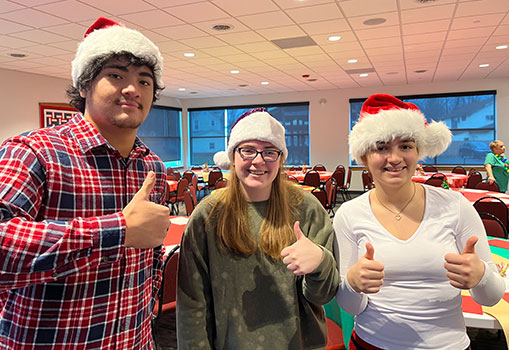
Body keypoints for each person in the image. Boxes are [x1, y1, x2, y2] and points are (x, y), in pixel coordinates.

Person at [0, 17, 170, 349]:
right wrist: (117, 230)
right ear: (84, 85)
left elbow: (148, 263)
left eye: (145, 80)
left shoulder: (152, 167)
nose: (133, 88)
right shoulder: (35, 152)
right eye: (116, 75)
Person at [334, 94, 505, 350]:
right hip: (370, 344)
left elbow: (491, 298)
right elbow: (350, 306)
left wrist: (480, 276)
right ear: (363, 156)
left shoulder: (455, 206)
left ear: (418, 152)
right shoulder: (348, 214)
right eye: (381, 147)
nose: (394, 158)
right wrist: (354, 284)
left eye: (405, 146)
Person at [177, 108, 339, 349]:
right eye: (248, 150)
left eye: (269, 152)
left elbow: (322, 296)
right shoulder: (209, 214)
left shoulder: (306, 208)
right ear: (233, 157)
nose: (259, 160)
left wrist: (320, 263)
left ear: (281, 159)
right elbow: (192, 302)